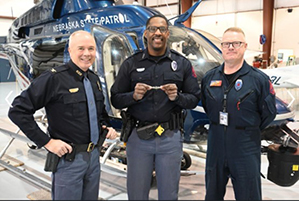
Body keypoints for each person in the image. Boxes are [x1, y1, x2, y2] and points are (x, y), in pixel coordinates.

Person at [8, 30, 117, 200]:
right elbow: (17, 111)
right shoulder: (54, 79)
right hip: (69, 160)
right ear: (70, 50)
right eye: (81, 48)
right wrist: (47, 142)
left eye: (91, 48)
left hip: (94, 157)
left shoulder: (94, 79)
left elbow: (99, 112)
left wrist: (105, 126)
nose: (87, 54)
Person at [110, 14, 201, 200]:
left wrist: (177, 97)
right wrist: (133, 96)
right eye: (153, 29)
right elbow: (116, 99)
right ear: (146, 33)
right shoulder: (131, 64)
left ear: (168, 34)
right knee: (136, 193)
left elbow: (194, 99)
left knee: (169, 194)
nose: (157, 33)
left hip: (170, 138)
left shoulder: (181, 63)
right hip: (138, 139)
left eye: (162, 29)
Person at [200, 27, 277, 200]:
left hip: (245, 145)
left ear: (244, 46)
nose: (231, 47)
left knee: (248, 195)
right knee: (212, 194)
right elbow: (207, 106)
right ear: (221, 47)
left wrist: (245, 125)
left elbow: (268, 113)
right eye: (227, 43)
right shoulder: (209, 78)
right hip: (216, 144)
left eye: (236, 43)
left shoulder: (259, 80)